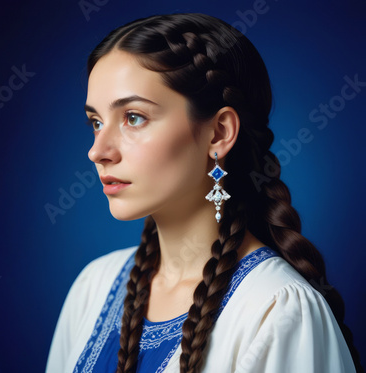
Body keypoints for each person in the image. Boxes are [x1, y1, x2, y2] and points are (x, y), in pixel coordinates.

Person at [46, 13, 362, 373]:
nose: (98, 151)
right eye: (96, 122)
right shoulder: (94, 286)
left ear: (218, 133)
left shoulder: (276, 309)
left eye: (134, 117)